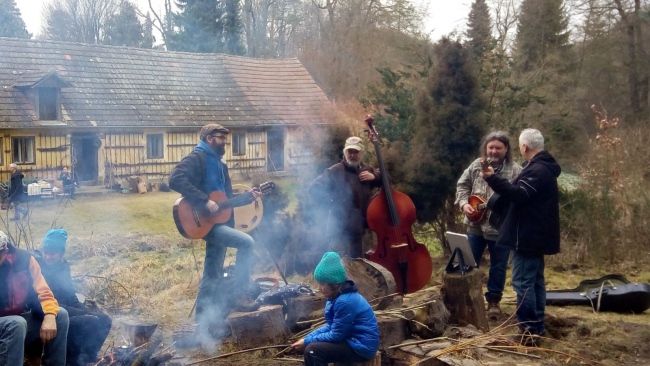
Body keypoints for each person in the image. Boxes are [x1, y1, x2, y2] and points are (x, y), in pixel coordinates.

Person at [169, 124, 261, 341]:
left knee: (212, 271)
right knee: (247, 243)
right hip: (201, 220)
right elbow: (175, 179)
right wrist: (203, 200)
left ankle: (201, 319)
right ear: (209, 138)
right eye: (221, 138)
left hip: (215, 223)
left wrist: (247, 197)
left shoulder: (220, 166)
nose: (225, 142)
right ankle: (241, 295)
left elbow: (225, 202)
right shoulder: (197, 158)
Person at [481, 128, 561, 346]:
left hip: (527, 236)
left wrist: (492, 179)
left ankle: (528, 331)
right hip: (533, 234)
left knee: (523, 283)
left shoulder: (537, 170)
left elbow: (520, 195)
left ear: (524, 147)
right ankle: (537, 327)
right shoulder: (540, 168)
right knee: (535, 282)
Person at [455, 131, 522, 319]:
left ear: (506, 149)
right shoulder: (477, 165)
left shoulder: (515, 170)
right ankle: (466, 300)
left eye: (498, 148)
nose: (493, 151)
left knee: (498, 266)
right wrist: (464, 204)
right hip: (475, 224)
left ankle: (493, 302)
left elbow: (519, 197)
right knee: (468, 263)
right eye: (490, 147)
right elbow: (462, 186)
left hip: (500, 227)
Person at [34, 229, 112, 366]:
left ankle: (87, 356)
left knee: (105, 320)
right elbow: (43, 302)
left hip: (66, 308)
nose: (47, 256)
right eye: (45, 252)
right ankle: (71, 360)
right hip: (49, 314)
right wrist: (84, 313)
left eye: (52, 253)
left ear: (61, 254)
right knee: (87, 322)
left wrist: (85, 310)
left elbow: (71, 296)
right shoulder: (37, 267)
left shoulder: (64, 267)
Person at [290, 252, 379, 366]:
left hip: (361, 347)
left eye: (322, 284)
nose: (319, 288)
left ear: (334, 284)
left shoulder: (344, 301)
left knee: (313, 351)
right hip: (352, 340)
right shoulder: (335, 296)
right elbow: (332, 326)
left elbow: (336, 335)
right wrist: (307, 338)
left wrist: (307, 342)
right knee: (311, 346)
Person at [0, 230, 69, 366]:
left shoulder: (24, 260)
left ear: (5, 250)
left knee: (59, 314)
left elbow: (43, 292)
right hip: (11, 325)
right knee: (16, 323)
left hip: (17, 326)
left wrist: (49, 315)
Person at [309, 137, 382, 258]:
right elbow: (314, 188)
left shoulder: (367, 170)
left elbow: (387, 179)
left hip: (362, 230)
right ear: (344, 152)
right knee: (340, 269)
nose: (352, 155)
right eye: (350, 151)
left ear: (362, 152)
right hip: (340, 232)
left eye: (356, 152)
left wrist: (374, 176)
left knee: (362, 268)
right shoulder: (334, 171)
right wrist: (330, 203)